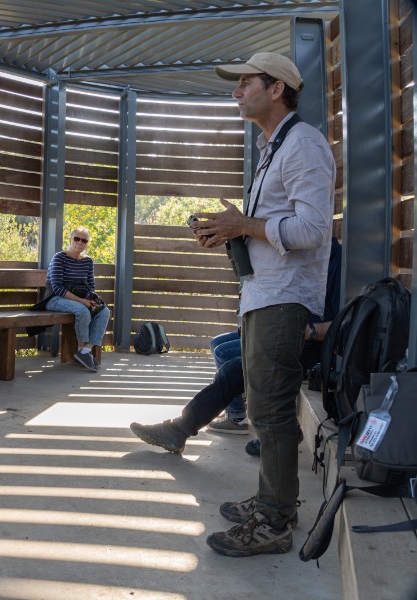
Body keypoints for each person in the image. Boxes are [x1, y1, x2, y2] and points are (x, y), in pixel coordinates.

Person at [189, 53, 335, 557]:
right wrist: (232, 228)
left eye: (245, 83)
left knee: (271, 413)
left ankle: (273, 523)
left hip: (284, 297)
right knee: (262, 407)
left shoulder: (304, 145)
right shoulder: (273, 147)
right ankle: (276, 501)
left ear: (277, 89)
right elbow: (274, 226)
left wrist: (246, 226)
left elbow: (315, 230)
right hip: (262, 294)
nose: (236, 93)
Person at [130, 237, 342, 457]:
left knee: (235, 370)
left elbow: (344, 324)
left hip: (314, 351)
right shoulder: (308, 260)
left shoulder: (337, 263)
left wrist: (308, 331)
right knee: (230, 363)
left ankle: (188, 429)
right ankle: (271, 429)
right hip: (286, 340)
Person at [43, 226, 110, 372]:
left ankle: (85, 352)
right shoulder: (59, 258)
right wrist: (82, 302)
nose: (80, 242)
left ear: (87, 244)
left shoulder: (88, 262)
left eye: (84, 240)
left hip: (78, 300)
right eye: (77, 239)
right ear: (70, 239)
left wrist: (92, 301)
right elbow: (58, 288)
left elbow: (91, 287)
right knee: (82, 310)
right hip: (55, 299)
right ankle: (81, 350)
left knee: (104, 312)